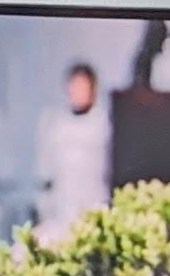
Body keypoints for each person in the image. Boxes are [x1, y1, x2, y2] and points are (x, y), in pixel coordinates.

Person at [35, 59, 112, 233]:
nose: (78, 92)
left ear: (92, 89)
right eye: (75, 86)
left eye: (83, 87)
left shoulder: (104, 123)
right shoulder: (56, 124)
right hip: (62, 210)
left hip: (94, 206)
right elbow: (45, 171)